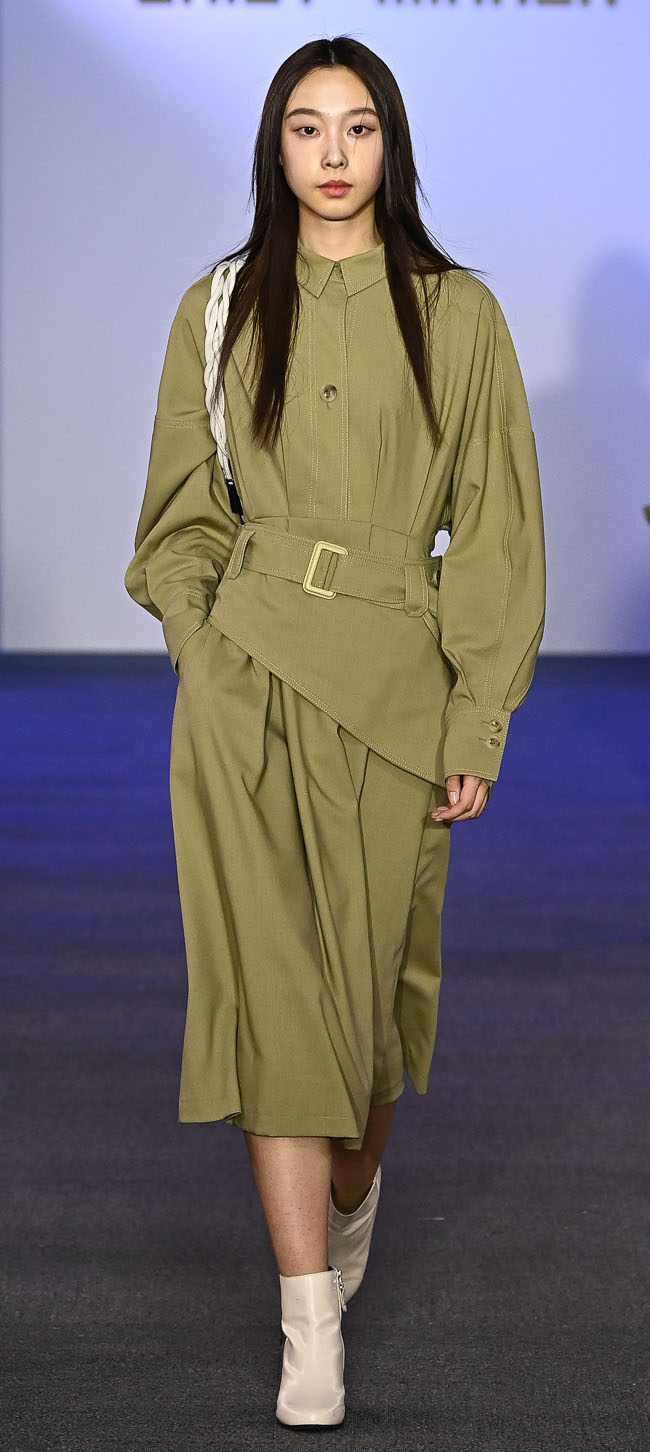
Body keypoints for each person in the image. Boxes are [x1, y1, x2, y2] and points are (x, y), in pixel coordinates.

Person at [124, 34, 546, 1431]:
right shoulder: (218, 307)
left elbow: (495, 535)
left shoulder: (459, 315)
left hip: (395, 690)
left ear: (390, 145)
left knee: (364, 1033)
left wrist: (475, 712)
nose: (331, 153)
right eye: (305, 128)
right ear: (275, 147)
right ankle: (308, 1318)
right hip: (245, 680)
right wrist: (202, 652)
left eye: (357, 127)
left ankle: (351, 1196)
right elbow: (179, 517)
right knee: (274, 996)